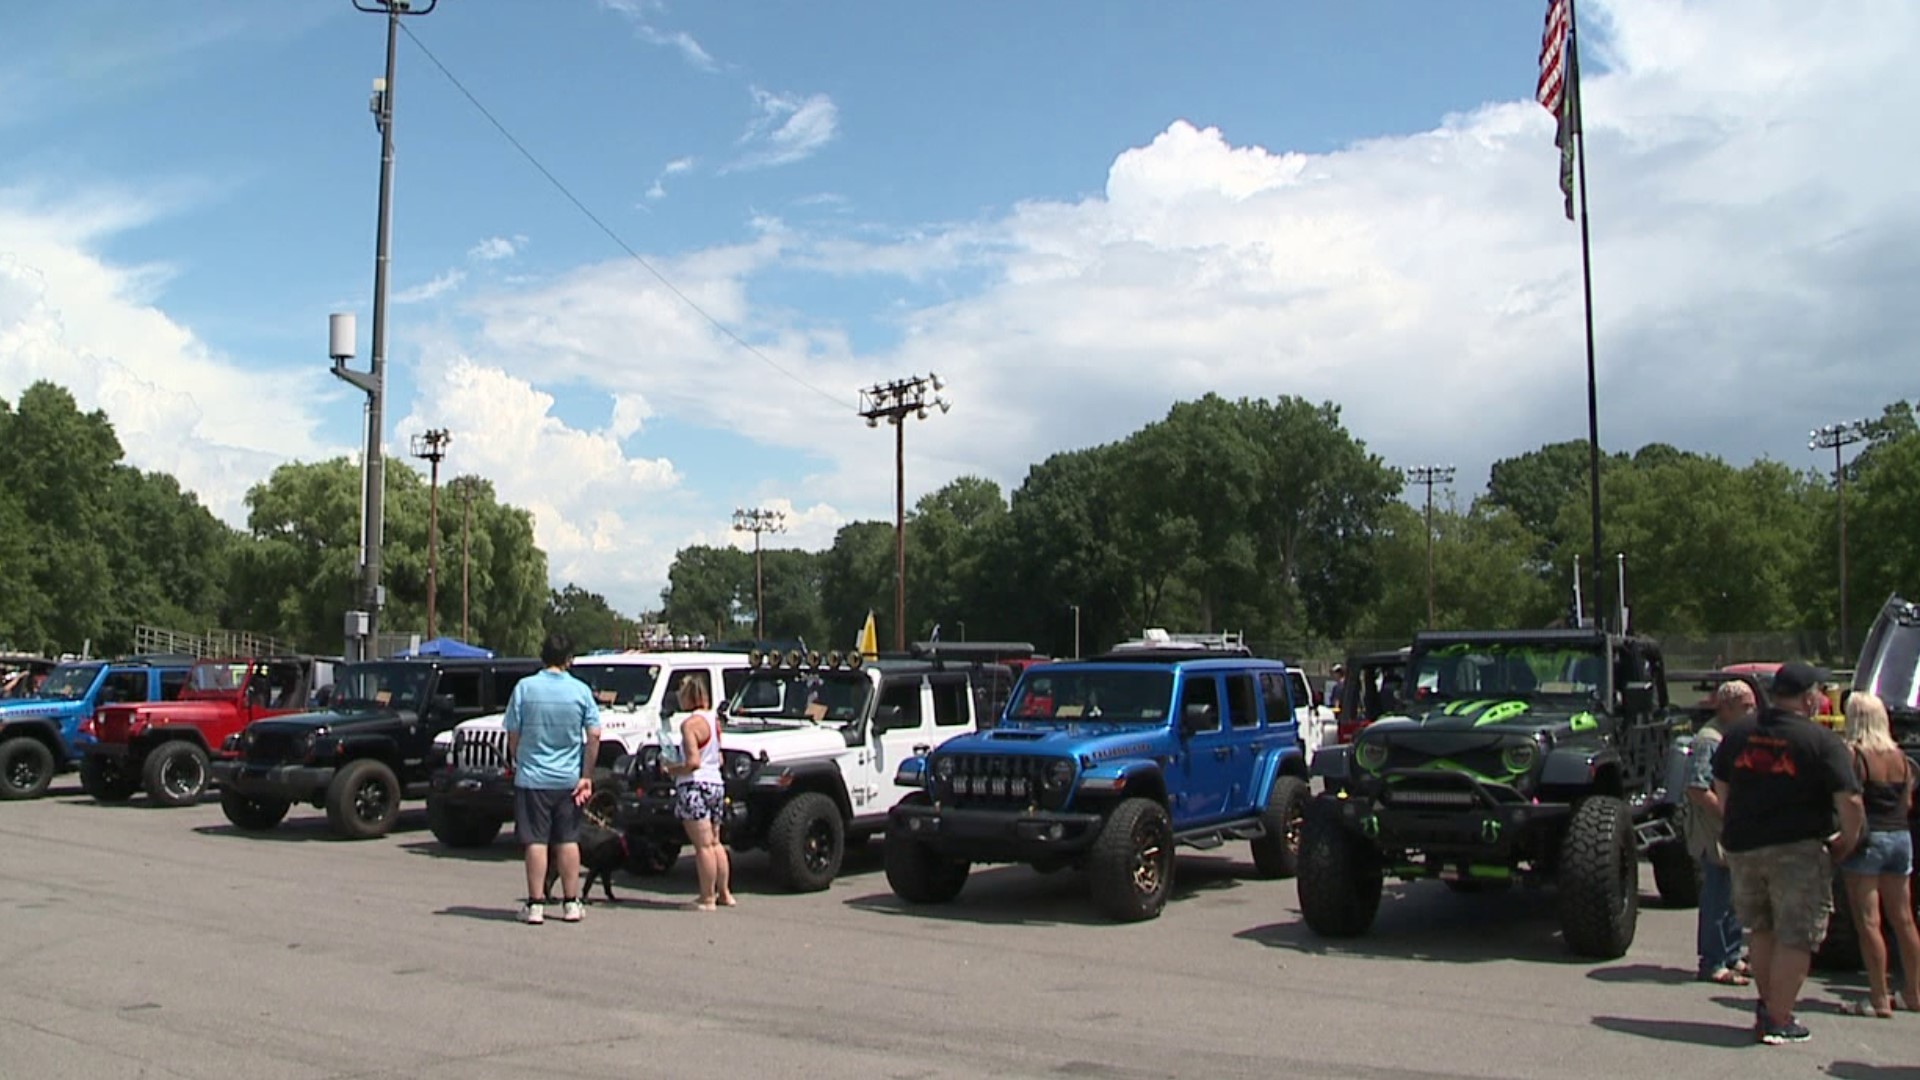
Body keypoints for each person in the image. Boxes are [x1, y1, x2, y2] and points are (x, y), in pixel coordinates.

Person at [1712, 660, 1866, 1045]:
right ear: (1810, 697)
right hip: (1797, 849)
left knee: (1761, 929)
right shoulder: (1820, 741)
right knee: (1797, 935)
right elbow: (1850, 801)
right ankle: (1780, 1017)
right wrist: (1847, 841)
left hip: (1744, 847)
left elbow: (1721, 783)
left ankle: (1768, 1007)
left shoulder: (1739, 732)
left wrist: (1732, 826)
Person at [502, 633, 602, 925]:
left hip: (533, 777)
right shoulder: (581, 691)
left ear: (543, 656)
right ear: (569, 659)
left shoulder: (525, 688)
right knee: (568, 839)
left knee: (535, 841)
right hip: (569, 779)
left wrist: (519, 758)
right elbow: (594, 735)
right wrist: (587, 775)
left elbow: (512, 731)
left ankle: (535, 904)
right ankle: (571, 902)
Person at [1837, 691, 1920, 1017]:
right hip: (1901, 837)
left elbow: (1849, 800)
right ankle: (1913, 991)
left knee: (1868, 921)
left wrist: (1845, 839)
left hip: (1869, 839)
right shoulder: (1900, 757)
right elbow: (1907, 803)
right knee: (1904, 919)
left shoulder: (1854, 755)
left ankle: (1878, 996)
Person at [1688, 678, 1755, 986]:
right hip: (1715, 831)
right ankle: (1712, 961)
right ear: (1726, 707)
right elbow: (1698, 789)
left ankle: (1731, 954)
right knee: (1716, 895)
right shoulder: (1710, 740)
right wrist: (1730, 817)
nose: (1752, 712)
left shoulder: (1737, 736)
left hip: (1736, 831)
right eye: (1746, 707)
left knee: (1733, 896)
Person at [659, 672, 734, 911]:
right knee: (715, 842)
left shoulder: (689, 725)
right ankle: (724, 892)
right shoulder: (714, 721)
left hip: (694, 784)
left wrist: (672, 769)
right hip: (716, 784)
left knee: (702, 846)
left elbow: (693, 762)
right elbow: (719, 757)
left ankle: (707, 897)